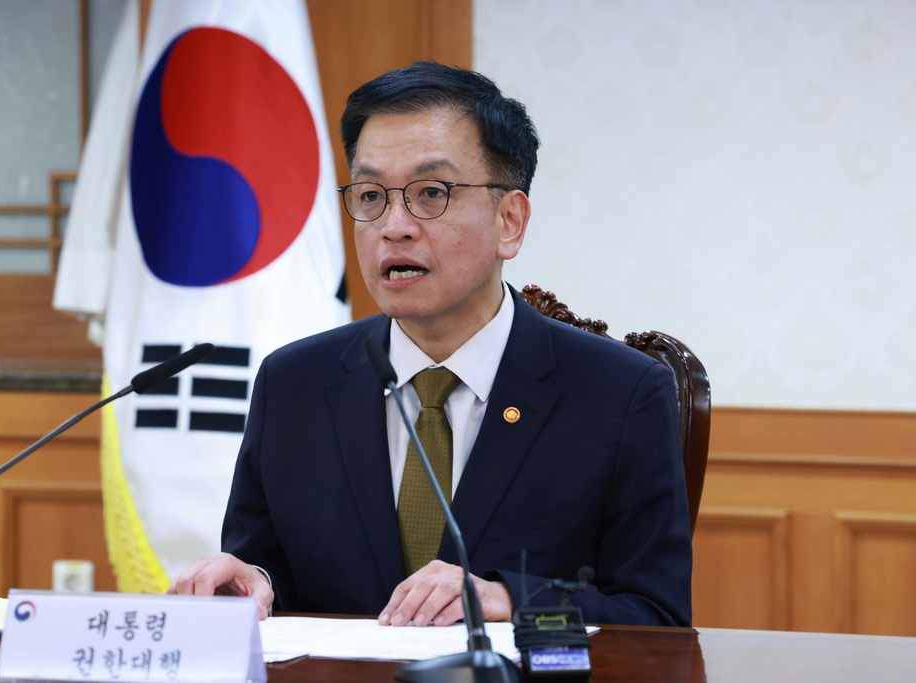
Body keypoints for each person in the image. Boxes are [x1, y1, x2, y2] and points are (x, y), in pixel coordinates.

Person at [169, 61, 692, 628]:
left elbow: (655, 616)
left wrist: (510, 601)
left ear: (509, 222)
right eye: (370, 195)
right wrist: (253, 584)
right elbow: (270, 569)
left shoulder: (620, 393)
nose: (394, 225)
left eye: (430, 193)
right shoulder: (295, 382)